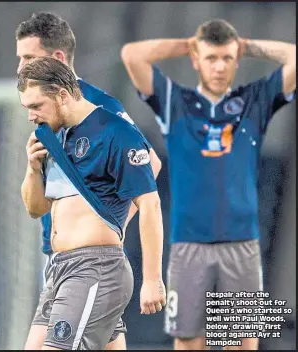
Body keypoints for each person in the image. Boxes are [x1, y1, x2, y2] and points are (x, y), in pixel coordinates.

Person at [121, 19, 296, 350]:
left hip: (241, 246)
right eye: (210, 58)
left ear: (236, 60)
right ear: (195, 60)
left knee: (242, 343)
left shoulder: (253, 102)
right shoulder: (175, 102)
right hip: (190, 246)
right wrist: (188, 43)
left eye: (227, 59)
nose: (218, 67)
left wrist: (248, 45)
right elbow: (133, 55)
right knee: (189, 342)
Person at [15, 12, 162, 350]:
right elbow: (37, 208)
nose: (21, 66)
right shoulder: (47, 121)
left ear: (57, 61)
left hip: (92, 263)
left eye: (28, 58)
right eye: (19, 57)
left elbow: (148, 166)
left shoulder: (100, 110)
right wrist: (32, 169)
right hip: (58, 261)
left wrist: (108, 228)